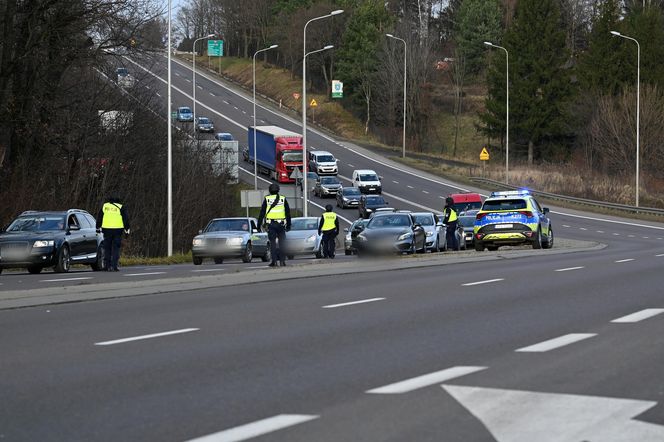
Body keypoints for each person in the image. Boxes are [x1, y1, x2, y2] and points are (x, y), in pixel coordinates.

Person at [257, 183, 291, 267]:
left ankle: (274, 261)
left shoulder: (267, 199)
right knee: (282, 243)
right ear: (278, 190)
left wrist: (258, 225)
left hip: (271, 225)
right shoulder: (283, 199)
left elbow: (262, 213)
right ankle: (282, 261)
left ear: (269, 190)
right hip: (281, 224)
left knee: (272, 243)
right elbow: (288, 213)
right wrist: (289, 225)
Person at [96, 194, 130, 271]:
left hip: (106, 230)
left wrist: (98, 227)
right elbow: (125, 219)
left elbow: (100, 217)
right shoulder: (121, 207)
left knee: (107, 248)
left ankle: (106, 266)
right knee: (116, 248)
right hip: (118, 231)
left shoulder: (105, 206)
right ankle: (114, 266)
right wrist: (127, 230)